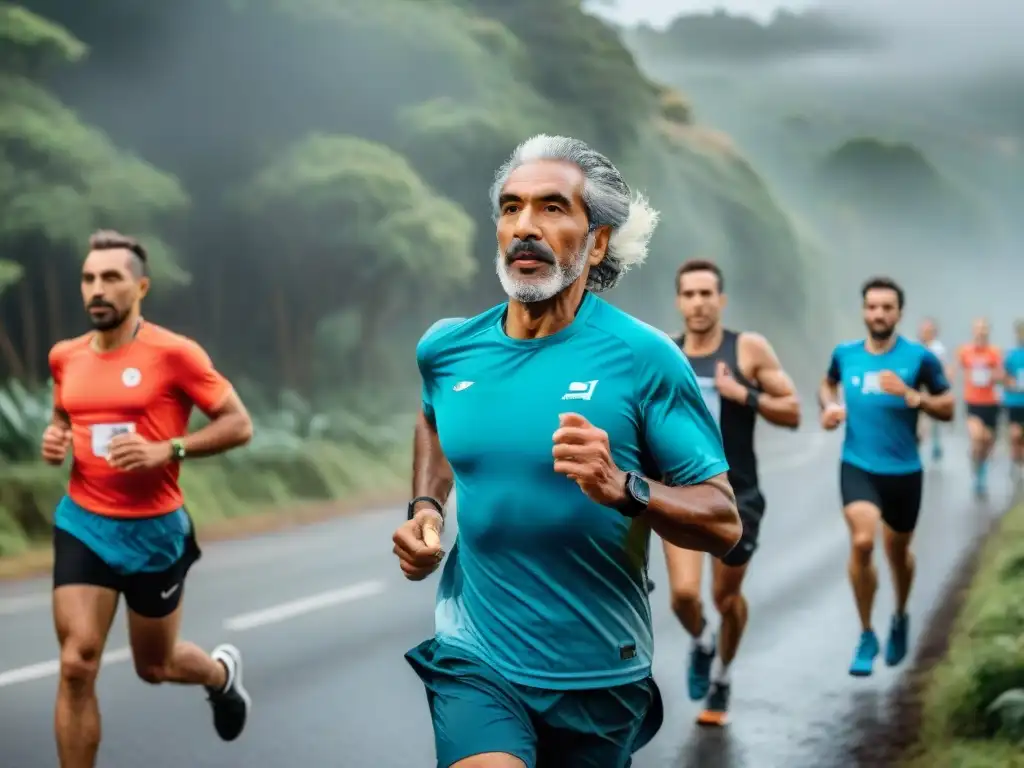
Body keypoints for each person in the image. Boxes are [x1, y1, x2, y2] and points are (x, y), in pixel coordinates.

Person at [391, 135, 742, 768]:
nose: (525, 226)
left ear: (598, 240)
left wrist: (624, 487)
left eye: (552, 208)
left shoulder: (644, 358)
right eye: (510, 207)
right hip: (476, 656)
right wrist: (426, 508)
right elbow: (434, 421)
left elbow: (722, 521)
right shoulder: (447, 350)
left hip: (599, 674)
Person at [42, 230, 254, 768]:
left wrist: (170, 448)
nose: (97, 288)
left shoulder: (174, 353)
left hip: (153, 530)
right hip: (83, 522)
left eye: (111, 278)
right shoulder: (64, 357)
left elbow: (239, 424)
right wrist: (56, 436)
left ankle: (220, 676)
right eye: (89, 278)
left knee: (154, 666)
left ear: (140, 286)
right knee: (76, 663)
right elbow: (65, 413)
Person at [666, 258, 801, 727]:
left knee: (726, 599)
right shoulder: (666, 352)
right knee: (683, 597)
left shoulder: (747, 349)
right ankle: (703, 643)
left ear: (720, 300)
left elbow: (792, 411)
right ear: (679, 301)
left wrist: (742, 394)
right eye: (690, 294)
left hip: (736, 497)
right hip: (680, 493)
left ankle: (723, 675)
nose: (699, 303)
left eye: (707, 294)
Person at [819, 277, 953, 678]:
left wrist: (915, 397)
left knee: (898, 554)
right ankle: (866, 633)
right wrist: (829, 407)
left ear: (899, 312)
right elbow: (827, 385)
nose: (878, 314)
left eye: (887, 307)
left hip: (905, 472)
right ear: (864, 311)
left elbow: (947, 406)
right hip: (858, 464)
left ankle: (898, 614)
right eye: (872, 306)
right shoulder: (845, 355)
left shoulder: (920, 359)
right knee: (863, 542)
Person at [955, 318, 1004, 497]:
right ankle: (978, 477)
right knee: (977, 437)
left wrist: (993, 374)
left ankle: (981, 467)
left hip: (991, 403)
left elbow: (1001, 376)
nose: (981, 331)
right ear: (973, 331)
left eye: (984, 328)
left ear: (988, 331)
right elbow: (954, 371)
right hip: (973, 402)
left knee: (988, 442)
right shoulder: (965, 351)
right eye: (978, 328)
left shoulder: (995, 352)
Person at [916, 318, 949, 462]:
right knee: (920, 421)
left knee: (934, 418)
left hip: (933, 388)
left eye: (928, 331)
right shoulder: (916, 348)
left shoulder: (938, 349)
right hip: (920, 388)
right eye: (923, 331)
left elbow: (943, 369)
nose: (925, 334)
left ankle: (936, 444)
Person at [1003, 320, 1024, 486]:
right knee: (1015, 435)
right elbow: (1002, 376)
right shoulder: (1012, 355)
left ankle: (1020, 465)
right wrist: (1010, 382)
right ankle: (1014, 462)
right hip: (1015, 401)